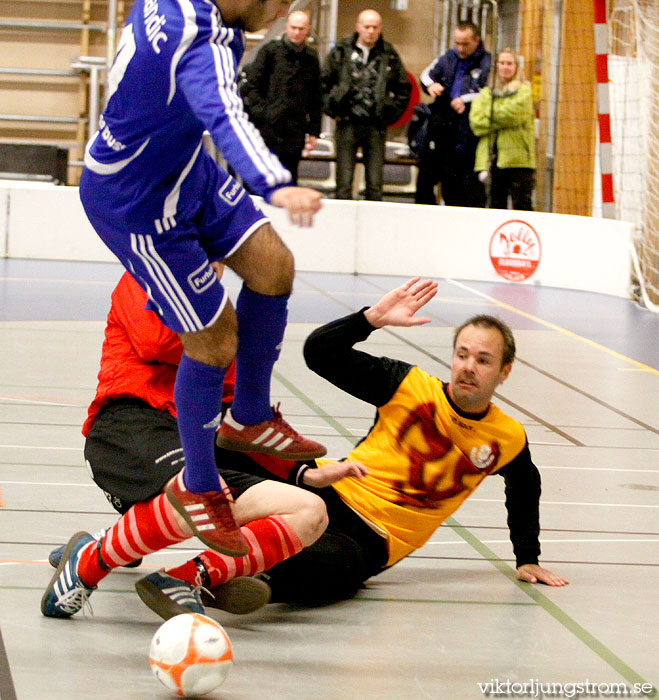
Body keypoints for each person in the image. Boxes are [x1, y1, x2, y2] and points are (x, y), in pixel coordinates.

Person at [75, 0, 328, 582]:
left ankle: (250, 415)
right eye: (279, 2)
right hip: (139, 202)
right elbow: (225, 114)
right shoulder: (200, 39)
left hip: (185, 170)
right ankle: (198, 483)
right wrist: (276, 184)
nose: (282, 11)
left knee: (273, 266)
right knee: (214, 340)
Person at [42, 269, 365, 620]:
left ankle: (187, 578)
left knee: (310, 511)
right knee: (199, 498)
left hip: (194, 452)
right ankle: (90, 561)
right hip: (129, 430)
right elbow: (159, 342)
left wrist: (301, 472)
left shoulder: (221, 317)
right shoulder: (142, 278)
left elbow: (235, 419)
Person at [237, 278, 568, 602]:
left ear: (504, 371)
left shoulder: (506, 437)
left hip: (373, 537)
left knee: (335, 569)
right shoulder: (407, 385)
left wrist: (527, 557)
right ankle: (209, 513)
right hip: (327, 487)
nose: (468, 367)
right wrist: (368, 320)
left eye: (483, 360)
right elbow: (318, 353)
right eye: (462, 355)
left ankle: (240, 577)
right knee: (232, 447)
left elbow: (526, 487)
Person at [320, 9, 411, 201]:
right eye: (367, 26)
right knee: (343, 183)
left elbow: (404, 88)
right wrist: (332, 109)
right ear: (358, 27)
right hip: (347, 123)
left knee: (375, 184)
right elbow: (322, 84)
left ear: (380, 29)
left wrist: (390, 112)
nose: (370, 31)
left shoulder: (389, 54)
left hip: (376, 125)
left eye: (375, 27)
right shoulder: (341, 51)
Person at [415, 21, 491, 207]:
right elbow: (426, 75)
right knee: (429, 180)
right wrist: (431, 85)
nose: (460, 48)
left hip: (468, 130)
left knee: (462, 186)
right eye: (457, 43)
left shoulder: (487, 62)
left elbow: (489, 92)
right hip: (442, 128)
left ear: (476, 40)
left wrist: (465, 99)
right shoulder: (448, 58)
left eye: (465, 44)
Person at [240, 10, 322, 184]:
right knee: (262, 177)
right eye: (293, 28)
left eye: (301, 29)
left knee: (289, 178)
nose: (297, 32)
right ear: (287, 27)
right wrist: (262, 114)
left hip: (295, 130)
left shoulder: (311, 58)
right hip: (268, 128)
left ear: (307, 30)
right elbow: (252, 86)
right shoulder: (269, 52)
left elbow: (315, 96)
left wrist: (314, 130)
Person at [469, 48, 536, 210]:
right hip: (491, 160)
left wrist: (490, 113)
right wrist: (501, 114)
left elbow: (514, 114)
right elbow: (476, 122)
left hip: (518, 161)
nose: (505, 67)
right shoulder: (486, 92)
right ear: (496, 66)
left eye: (509, 63)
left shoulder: (524, 91)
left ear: (516, 66)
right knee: (495, 207)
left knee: (522, 207)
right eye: (502, 63)